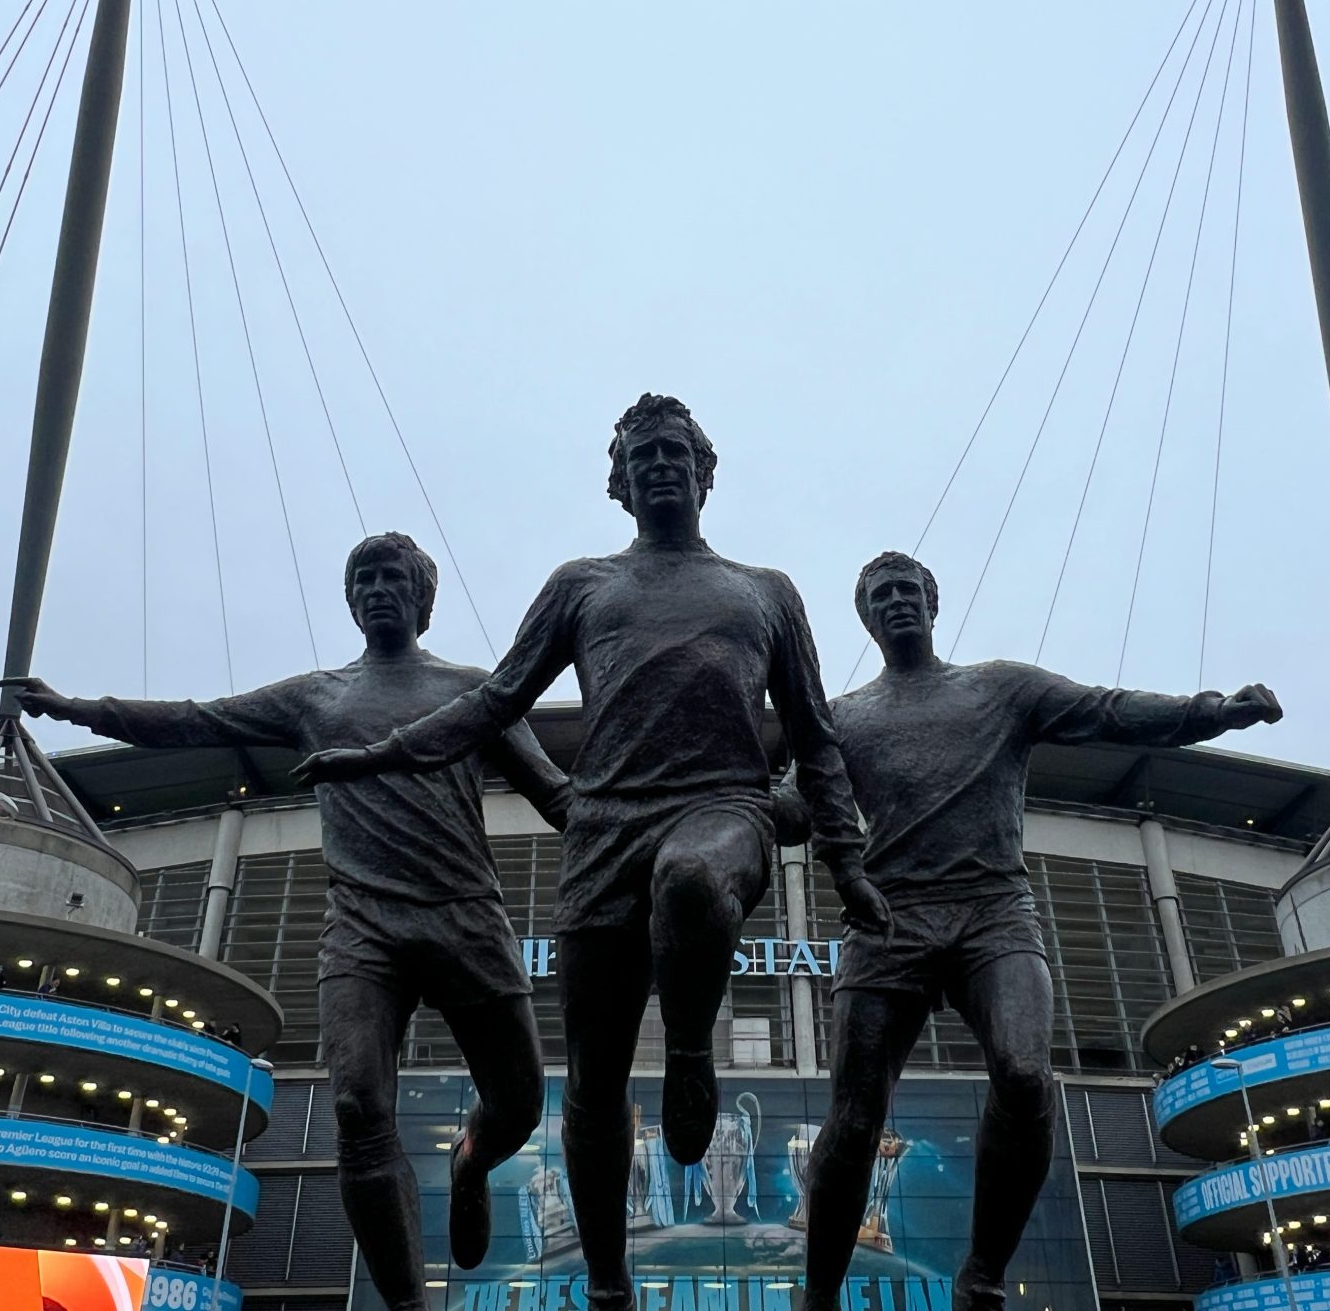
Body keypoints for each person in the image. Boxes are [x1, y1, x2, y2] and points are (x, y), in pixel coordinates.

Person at [294, 396, 889, 1311]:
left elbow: (815, 737)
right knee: (594, 1083)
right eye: (642, 456)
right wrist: (384, 752)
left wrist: (845, 860)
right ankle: (610, 1285)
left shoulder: (765, 591)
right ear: (620, 482)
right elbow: (493, 703)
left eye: (675, 452)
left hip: (722, 807)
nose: (660, 465)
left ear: (704, 472)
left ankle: (689, 1049)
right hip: (606, 829)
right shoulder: (581, 586)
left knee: (691, 881)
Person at [4, 532, 573, 1311]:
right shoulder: (316, 698)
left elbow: (554, 792)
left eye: (393, 578)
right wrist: (78, 709)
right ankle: (408, 1304)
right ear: (351, 601)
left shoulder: (474, 692)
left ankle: (471, 1161)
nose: (378, 590)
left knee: (520, 1103)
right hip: (363, 929)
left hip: (464, 919)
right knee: (357, 1107)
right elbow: (197, 720)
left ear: (423, 599)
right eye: (364, 579)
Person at [794, 551, 1281, 1311]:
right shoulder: (846, 718)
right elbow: (798, 804)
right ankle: (819, 1295)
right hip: (889, 919)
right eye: (881, 596)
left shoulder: (1001, 688)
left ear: (933, 603)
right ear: (866, 618)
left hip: (993, 911)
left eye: (908, 590)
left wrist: (1208, 711)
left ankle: (983, 1275)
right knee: (854, 1119)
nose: (896, 602)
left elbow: (1107, 710)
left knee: (1025, 1076)